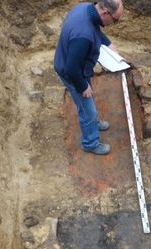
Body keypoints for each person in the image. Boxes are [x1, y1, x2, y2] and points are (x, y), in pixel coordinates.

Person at [54, 0, 124, 155]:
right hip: (72, 72)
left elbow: (94, 29)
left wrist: (107, 43)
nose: (115, 23)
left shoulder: (85, 8)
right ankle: (90, 143)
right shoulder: (83, 35)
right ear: (105, 12)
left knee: (87, 102)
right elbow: (71, 69)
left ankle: (93, 123)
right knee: (88, 110)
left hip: (78, 65)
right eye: (115, 20)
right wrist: (82, 86)